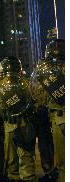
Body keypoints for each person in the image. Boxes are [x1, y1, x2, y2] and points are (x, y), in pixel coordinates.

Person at [0, 57, 36, 181]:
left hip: (22, 122)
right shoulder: (1, 86)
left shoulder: (25, 83)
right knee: (15, 158)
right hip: (11, 123)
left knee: (24, 156)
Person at [44, 39, 65, 182]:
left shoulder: (47, 73)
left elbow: (39, 97)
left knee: (63, 159)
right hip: (57, 117)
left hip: (59, 117)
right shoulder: (47, 73)